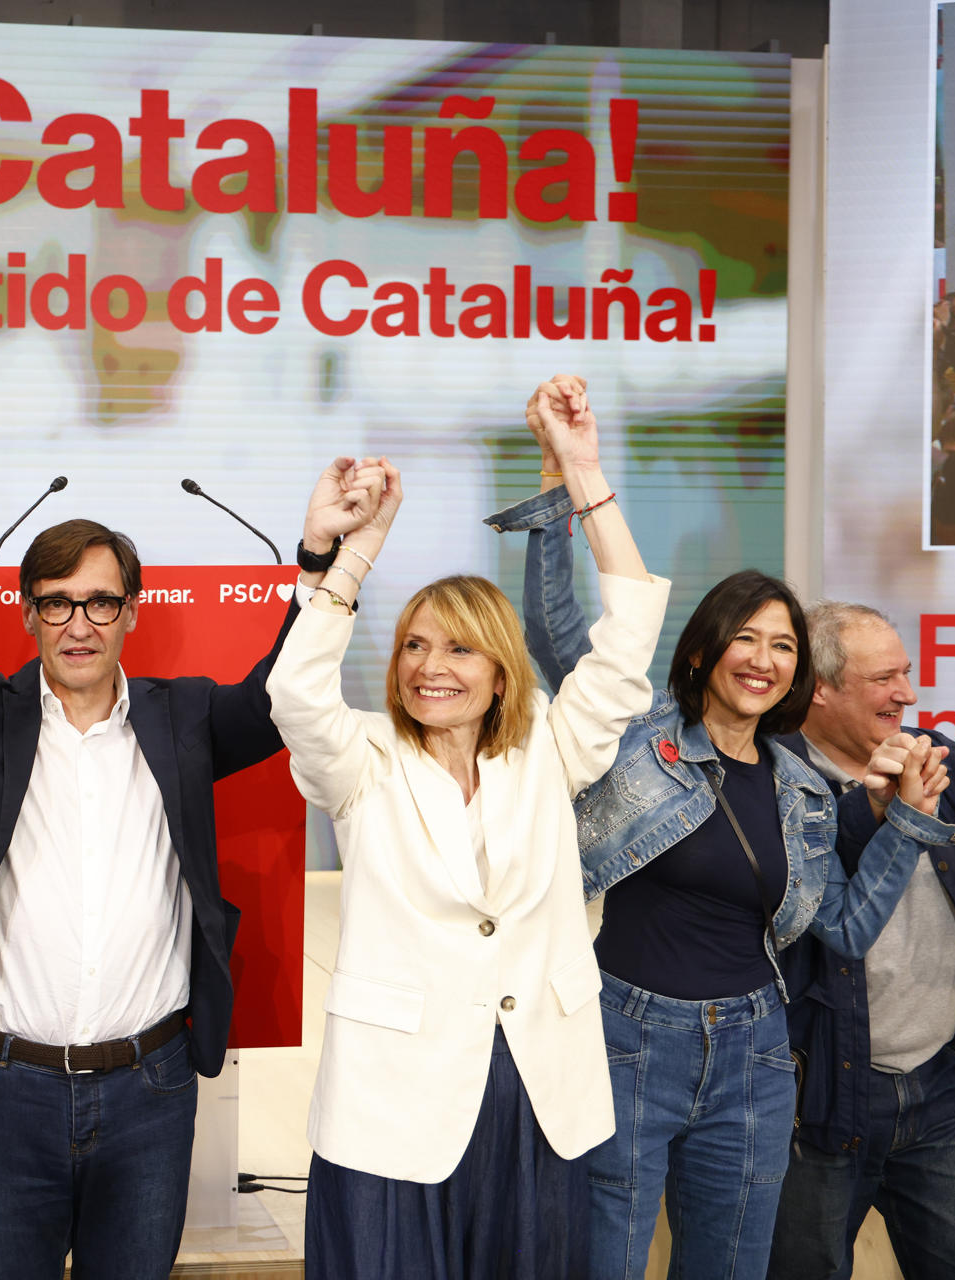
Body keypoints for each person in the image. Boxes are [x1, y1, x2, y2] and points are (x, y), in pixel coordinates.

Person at [491, 376, 955, 1279]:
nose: (764, 658)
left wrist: (907, 826)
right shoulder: (637, 739)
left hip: (754, 1051)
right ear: (704, 650)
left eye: (783, 647)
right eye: (748, 638)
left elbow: (846, 931)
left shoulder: (802, 789)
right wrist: (559, 492)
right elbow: (555, 635)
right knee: (608, 1261)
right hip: (628, 1036)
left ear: (796, 678)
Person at [0, 451, 299, 1280]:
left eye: (99, 602)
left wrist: (323, 573)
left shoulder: (183, 717)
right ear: (27, 615)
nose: (78, 623)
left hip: (149, 1090)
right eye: (56, 603)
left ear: (130, 612)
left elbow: (281, 698)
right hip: (0, 1090)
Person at [267, 383, 666, 1277]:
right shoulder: (362, 759)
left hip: (537, 1090)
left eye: (457, 648)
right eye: (413, 645)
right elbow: (293, 693)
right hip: (391, 1105)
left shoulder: (550, 750)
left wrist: (585, 473)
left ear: (502, 670)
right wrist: (355, 555)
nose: (429, 667)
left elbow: (629, 625)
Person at [767, 602, 955, 1280]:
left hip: (941, 1093)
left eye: (906, 673)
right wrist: (879, 809)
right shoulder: (772, 784)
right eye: (886, 678)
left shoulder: (944, 763)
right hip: (817, 1105)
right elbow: (833, 925)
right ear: (820, 688)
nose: (907, 694)